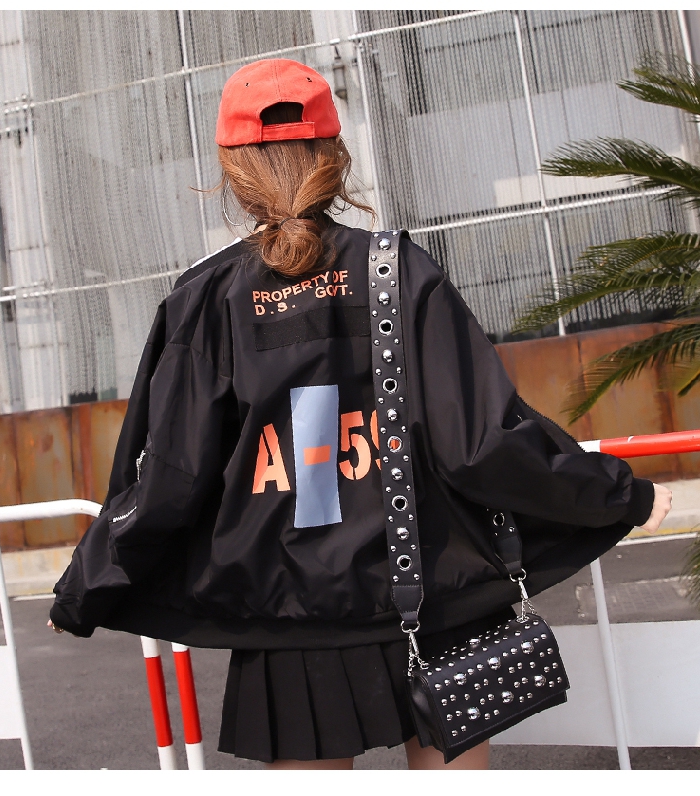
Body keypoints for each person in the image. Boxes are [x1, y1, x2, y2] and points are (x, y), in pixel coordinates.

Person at [48, 58, 672, 770]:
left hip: (290, 618)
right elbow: (483, 444)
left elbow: (169, 478)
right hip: (430, 593)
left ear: (230, 173)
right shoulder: (399, 272)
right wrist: (621, 494)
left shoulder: (206, 301)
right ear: (335, 157)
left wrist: (84, 588)